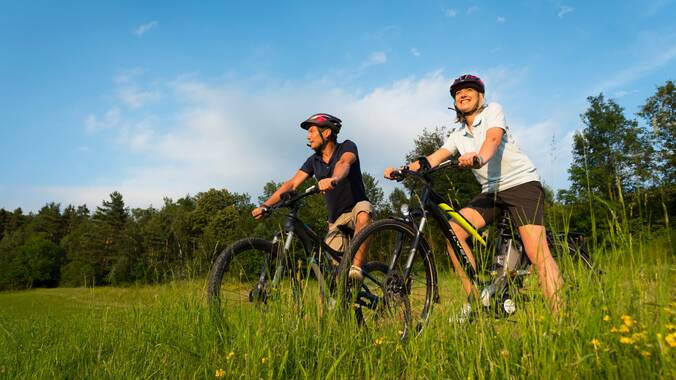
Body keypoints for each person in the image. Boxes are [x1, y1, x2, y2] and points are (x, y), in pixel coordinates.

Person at [384, 74, 563, 320]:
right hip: (490, 193)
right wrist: (403, 170)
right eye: (457, 93)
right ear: (454, 103)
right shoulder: (458, 136)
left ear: (480, 96)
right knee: (454, 231)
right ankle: (477, 300)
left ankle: (562, 317)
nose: (462, 94)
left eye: (469, 90)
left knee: (537, 253)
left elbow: (492, 139)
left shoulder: (493, 112)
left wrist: (478, 158)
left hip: (521, 184)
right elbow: (433, 159)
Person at [252, 113, 373, 280]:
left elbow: (344, 163)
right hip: (336, 220)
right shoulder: (313, 161)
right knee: (334, 278)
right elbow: (292, 184)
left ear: (327, 133)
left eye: (311, 131)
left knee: (364, 214)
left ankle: (356, 270)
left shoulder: (346, 146)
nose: (308, 137)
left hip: (356, 208)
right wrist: (266, 205)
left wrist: (334, 179)